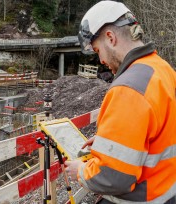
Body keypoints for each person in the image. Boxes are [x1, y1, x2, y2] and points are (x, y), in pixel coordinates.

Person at [65, 1, 176, 204]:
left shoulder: (128, 89)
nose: (101, 61)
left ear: (110, 37)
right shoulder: (162, 69)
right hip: (166, 190)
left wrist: (80, 171)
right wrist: (109, 143)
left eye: (98, 51)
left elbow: (113, 177)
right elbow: (158, 133)